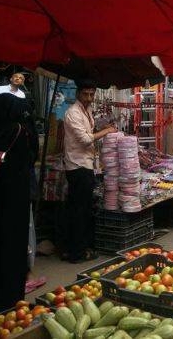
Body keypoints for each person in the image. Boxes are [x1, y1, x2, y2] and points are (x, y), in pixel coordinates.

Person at [0, 93, 37, 317]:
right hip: (19, 203)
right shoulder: (26, 131)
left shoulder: (4, 132)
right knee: (15, 251)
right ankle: (13, 300)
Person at [63, 80, 117, 263]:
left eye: (91, 94)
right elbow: (86, 139)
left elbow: (89, 132)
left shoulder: (86, 111)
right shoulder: (72, 113)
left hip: (86, 165)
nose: (89, 98)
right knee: (79, 211)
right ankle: (76, 253)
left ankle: (77, 248)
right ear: (78, 93)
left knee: (83, 209)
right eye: (85, 94)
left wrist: (100, 130)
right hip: (77, 167)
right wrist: (107, 131)